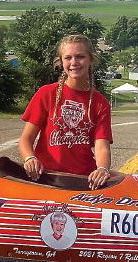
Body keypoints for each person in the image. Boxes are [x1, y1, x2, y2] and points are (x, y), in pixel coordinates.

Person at [19, 34, 113, 190]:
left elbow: (102, 146)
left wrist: (102, 169)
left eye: (80, 57)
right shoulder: (46, 93)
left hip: (83, 182)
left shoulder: (100, 102)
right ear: (61, 61)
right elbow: (25, 139)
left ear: (91, 59)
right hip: (46, 179)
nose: (74, 63)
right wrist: (30, 158)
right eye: (68, 58)